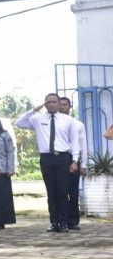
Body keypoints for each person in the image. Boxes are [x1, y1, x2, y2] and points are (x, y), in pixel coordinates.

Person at [15, 93, 79, 233]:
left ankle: (63, 223)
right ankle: (54, 222)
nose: (51, 104)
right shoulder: (37, 119)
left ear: (58, 103)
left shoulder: (68, 120)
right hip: (46, 158)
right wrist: (34, 109)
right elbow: (19, 122)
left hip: (63, 158)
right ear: (45, 104)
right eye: (48, 102)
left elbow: (74, 141)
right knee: (51, 192)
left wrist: (74, 160)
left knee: (62, 192)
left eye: (54, 102)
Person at [59, 97, 87, 230]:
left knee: (73, 191)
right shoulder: (55, 124)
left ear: (70, 107)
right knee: (61, 191)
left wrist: (84, 164)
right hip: (60, 158)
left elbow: (83, 144)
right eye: (61, 105)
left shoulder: (78, 124)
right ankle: (61, 220)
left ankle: (73, 220)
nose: (62, 107)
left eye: (65, 105)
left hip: (74, 158)